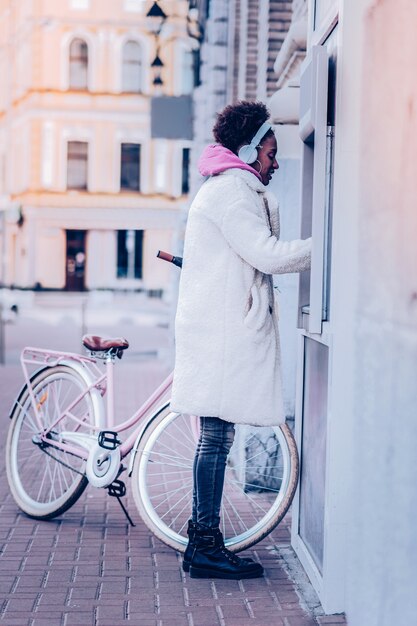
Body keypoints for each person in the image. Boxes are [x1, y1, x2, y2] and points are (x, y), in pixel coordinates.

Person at [170, 101, 312, 580]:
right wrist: (331, 244)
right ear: (250, 151)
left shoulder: (229, 188)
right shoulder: (233, 193)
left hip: (216, 328)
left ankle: (200, 540)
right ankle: (204, 545)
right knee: (215, 439)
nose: (275, 162)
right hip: (220, 333)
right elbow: (266, 254)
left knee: (215, 436)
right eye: (271, 153)